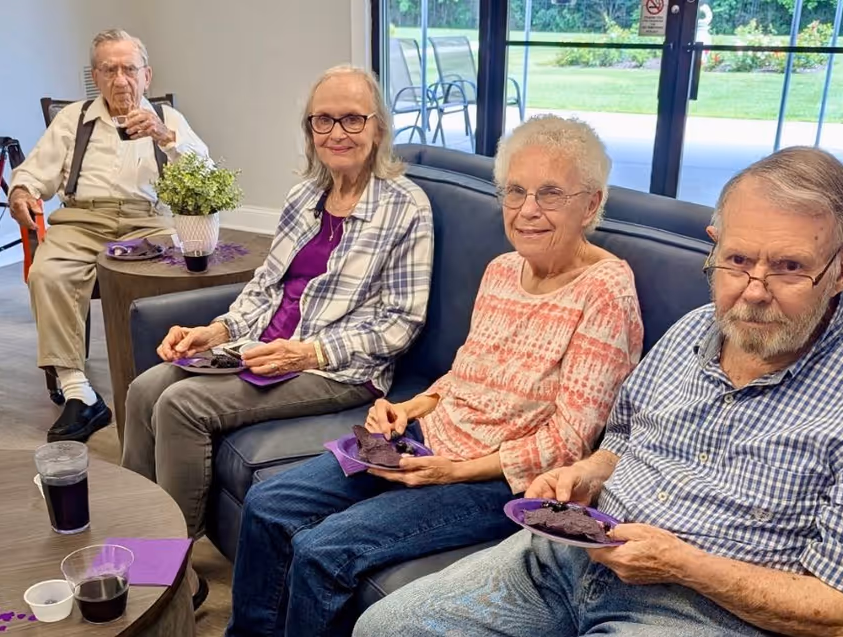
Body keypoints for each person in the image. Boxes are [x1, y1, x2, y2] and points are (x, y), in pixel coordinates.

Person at [355, 147, 843, 637]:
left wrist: (686, 567)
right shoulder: (692, 329)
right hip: (566, 555)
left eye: (788, 267)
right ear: (715, 246)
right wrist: (586, 475)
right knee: (383, 628)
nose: (753, 292)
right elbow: (624, 440)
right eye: (736, 261)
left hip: (698, 610)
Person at [224, 115, 644, 637]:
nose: (527, 210)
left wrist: (452, 471)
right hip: (423, 442)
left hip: (497, 481)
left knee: (322, 551)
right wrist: (410, 408)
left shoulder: (606, 291)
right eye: (515, 191)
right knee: (269, 505)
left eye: (550, 194)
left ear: (592, 204)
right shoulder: (501, 269)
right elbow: (464, 374)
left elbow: (569, 442)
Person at [120, 65, 434, 605]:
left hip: (338, 370)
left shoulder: (407, 209)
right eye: (323, 121)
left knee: (181, 405)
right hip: (261, 350)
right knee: (145, 387)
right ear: (310, 130)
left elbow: (400, 323)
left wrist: (308, 350)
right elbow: (265, 288)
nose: (337, 133)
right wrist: (215, 330)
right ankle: (134, 541)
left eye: (352, 119)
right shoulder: (303, 197)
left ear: (378, 127)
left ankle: (174, 575)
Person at [7, 29, 210, 443]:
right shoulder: (74, 119)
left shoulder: (167, 120)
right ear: (95, 77)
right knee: (48, 274)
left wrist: (163, 136)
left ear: (147, 75)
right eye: (109, 69)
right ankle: (78, 391)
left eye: (129, 69)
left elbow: (205, 174)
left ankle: (167, 377)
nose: (120, 80)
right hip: (81, 219)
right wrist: (22, 191)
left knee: (173, 278)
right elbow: (34, 172)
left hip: (146, 221)